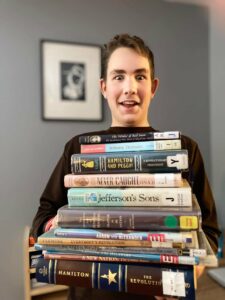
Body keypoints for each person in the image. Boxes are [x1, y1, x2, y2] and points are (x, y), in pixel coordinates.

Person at [31, 33, 221, 300]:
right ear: (104, 87)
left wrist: (192, 271)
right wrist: (60, 225)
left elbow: (210, 231)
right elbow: (41, 219)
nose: (130, 87)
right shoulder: (79, 149)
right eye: (118, 76)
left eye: (140, 76)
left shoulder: (184, 149)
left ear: (153, 87)